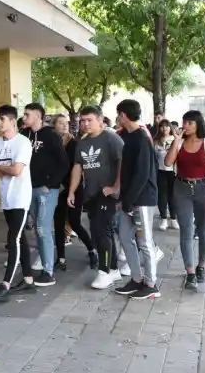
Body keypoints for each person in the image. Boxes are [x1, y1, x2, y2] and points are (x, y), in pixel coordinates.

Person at [164, 110, 205, 291]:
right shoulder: (179, 142)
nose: (185, 126)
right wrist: (176, 141)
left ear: (198, 124)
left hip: (203, 188)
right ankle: (190, 273)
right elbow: (167, 163)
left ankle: (201, 266)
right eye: (184, 122)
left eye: (190, 123)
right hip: (181, 188)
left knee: (204, 230)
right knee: (186, 231)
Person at [68, 105, 123, 290]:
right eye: (82, 121)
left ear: (100, 120)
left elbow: (122, 163)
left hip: (106, 194)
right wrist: (71, 191)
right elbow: (77, 167)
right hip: (90, 193)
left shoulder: (111, 138)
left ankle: (104, 271)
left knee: (101, 232)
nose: (85, 124)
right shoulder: (82, 142)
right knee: (100, 230)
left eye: (89, 120)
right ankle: (113, 269)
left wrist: (115, 187)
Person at [0, 105, 35, 302]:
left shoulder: (23, 142)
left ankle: (6, 283)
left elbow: (17, 171)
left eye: (2, 119)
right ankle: (28, 280)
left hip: (20, 198)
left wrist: (0, 167)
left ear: (13, 121)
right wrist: (5, 167)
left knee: (13, 238)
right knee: (20, 238)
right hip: (6, 198)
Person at [112, 100, 160, 300]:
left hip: (142, 199)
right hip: (128, 199)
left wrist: (129, 200)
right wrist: (123, 198)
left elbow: (142, 174)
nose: (117, 118)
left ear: (123, 115)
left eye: (118, 114)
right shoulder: (125, 136)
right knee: (125, 238)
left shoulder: (141, 137)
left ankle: (151, 284)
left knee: (145, 241)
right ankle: (136, 278)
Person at [21, 102, 69, 286]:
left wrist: (50, 184)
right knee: (37, 229)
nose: (24, 117)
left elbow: (64, 163)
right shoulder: (24, 134)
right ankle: (43, 263)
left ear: (38, 116)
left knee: (42, 228)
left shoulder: (51, 136)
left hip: (46, 190)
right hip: (29, 188)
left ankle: (48, 271)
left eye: (27, 114)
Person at [51, 114, 94, 271]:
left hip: (74, 188)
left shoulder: (74, 144)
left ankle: (91, 249)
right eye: (60, 123)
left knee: (75, 222)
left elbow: (75, 168)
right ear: (54, 125)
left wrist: (69, 187)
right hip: (57, 189)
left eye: (66, 123)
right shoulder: (52, 142)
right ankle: (61, 258)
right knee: (58, 223)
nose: (64, 125)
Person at [153, 119, 178, 231]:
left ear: (170, 128)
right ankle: (163, 218)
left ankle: (173, 218)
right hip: (160, 171)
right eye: (162, 126)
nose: (164, 128)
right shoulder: (155, 141)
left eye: (167, 126)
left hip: (173, 172)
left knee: (172, 196)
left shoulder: (175, 139)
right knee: (162, 196)